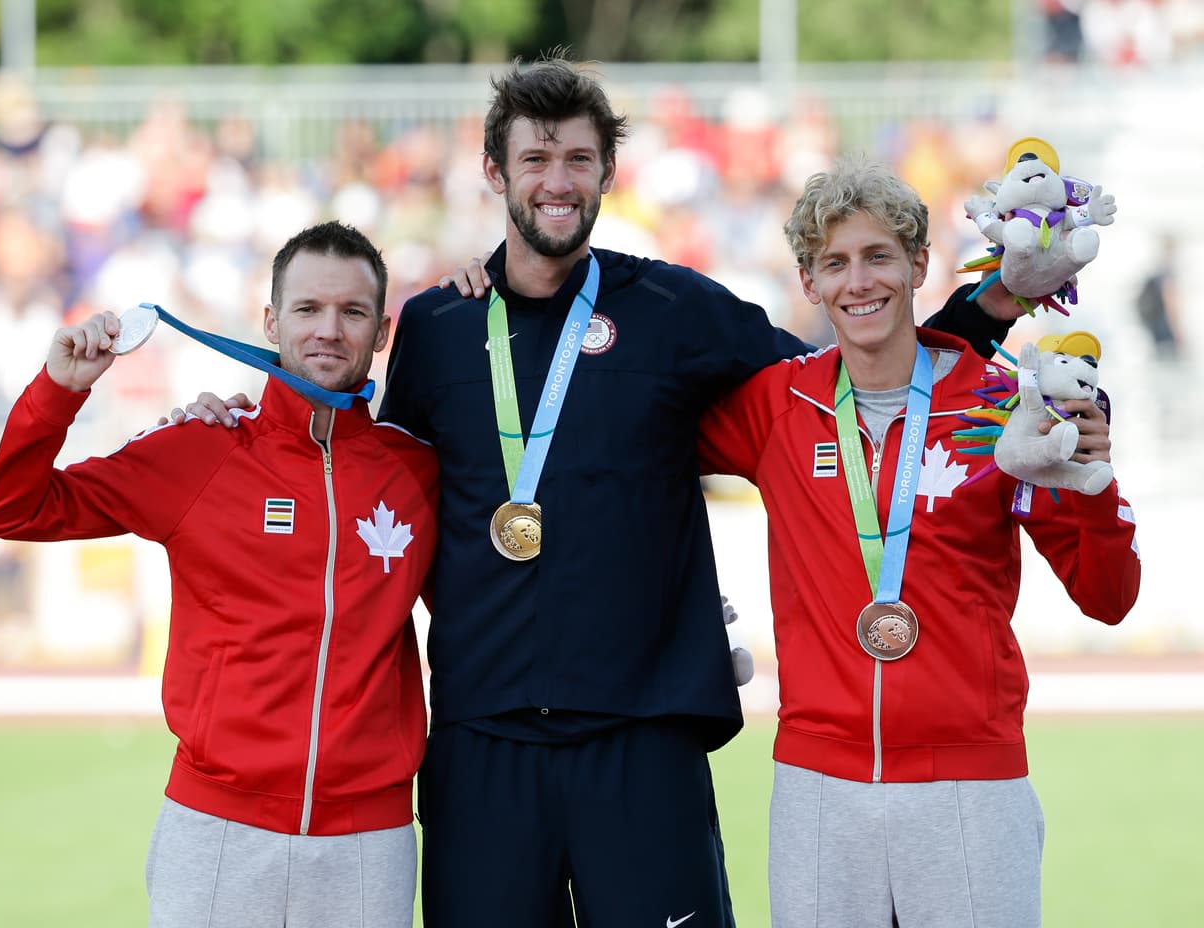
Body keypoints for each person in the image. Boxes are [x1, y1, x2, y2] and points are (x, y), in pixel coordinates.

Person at [181, 54, 1021, 927]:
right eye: (536, 160)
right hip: (484, 741)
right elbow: (368, 475)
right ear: (495, 173)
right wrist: (243, 417)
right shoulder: (437, 326)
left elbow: (856, 374)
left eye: (579, 160)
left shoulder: (677, 308)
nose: (558, 181)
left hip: (643, 737)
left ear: (608, 174)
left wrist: (994, 305)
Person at [697, 158, 1141, 927]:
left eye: (878, 257)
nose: (857, 282)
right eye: (834, 263)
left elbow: (1109, 598)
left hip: (971, 785)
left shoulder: (1007, 408)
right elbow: (630, 436)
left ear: (918, 266)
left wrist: (1094, 481)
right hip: (818, 785)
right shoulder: (778, 402)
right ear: (807, 283)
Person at [0, 221, 439, 928]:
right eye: (308, 309)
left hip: (368, 840)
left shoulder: (416, 469)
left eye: (352, 313)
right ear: (270, 321)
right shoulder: (201, 448)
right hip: (217, 830)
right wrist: (58, 391)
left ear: (381, 333)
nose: (328, 330)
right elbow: (13, 509)